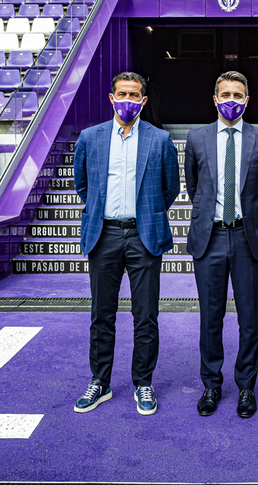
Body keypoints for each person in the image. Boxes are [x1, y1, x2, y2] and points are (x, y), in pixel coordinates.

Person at [72, 71, 181, 416]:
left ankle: (143, 382)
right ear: (111, 97)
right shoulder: (90, 138)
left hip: (143, 235)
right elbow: (83, 186)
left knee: (145, 315)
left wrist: (146, 215)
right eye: (122, 94)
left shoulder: (160, 140)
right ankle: (99, 382)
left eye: (135, 95)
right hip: (103, 234)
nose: (128, 100)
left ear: (144, 101)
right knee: (101, 313)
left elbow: (170, 189)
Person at [184, 71, 258, 418]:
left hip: (246, 237)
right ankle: (211, 384)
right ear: (214, 98)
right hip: (209, 238)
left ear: (247, 100)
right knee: (211, 317)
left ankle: (246, 386)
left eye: (238, 95)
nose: (232, 100)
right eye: (225, 94)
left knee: (249, 319)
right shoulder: (196, 138)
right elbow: (195, 188)